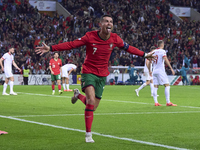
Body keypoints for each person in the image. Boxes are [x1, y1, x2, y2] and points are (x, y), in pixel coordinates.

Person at [35, 14, 155, 143]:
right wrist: (51, 48)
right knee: (91, 100)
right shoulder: (90, 36)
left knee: (92, 106)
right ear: (101, 24)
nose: (109, 23)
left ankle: (77, 95)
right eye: (106, 21)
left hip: (102, 75)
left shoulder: (115, 38)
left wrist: (145, 55)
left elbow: (129, 48)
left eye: (111, 22)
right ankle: (88, 135)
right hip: (88, 72)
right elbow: (71, 44)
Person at [148, 40, 177, 106]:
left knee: (155, 86)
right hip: (160, 71)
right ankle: (168, 102)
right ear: (162, 45)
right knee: (167, 85)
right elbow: (165, 59)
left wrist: (150, 70)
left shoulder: (153, 52)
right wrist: (171, 68)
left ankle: (156, 102)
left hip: (154, 71)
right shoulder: (162, 51)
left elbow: (149, 61)